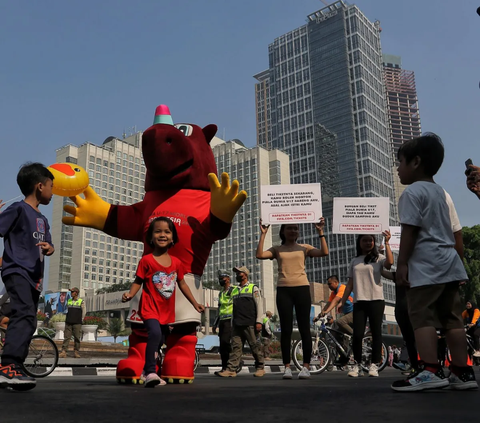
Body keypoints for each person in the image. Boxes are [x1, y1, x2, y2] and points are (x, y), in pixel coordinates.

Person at [391, 133, 477, 391]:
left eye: (400, 162)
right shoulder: (443, 193)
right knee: (453, 320)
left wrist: (402, 264)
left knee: (422, 318)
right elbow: (456, 233)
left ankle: (430, 369)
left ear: (415, 162)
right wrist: (458, 264)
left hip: (426, 269)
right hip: (449, 265)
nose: (397, 168)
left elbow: (409, 231)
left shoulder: (412, 193)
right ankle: (462, 372)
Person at [122, 216, 205, 388]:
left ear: (173, 238)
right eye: (157, 231)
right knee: (154, 334)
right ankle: (150, 371)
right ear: (151, 237)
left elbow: (182, 284)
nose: (162, 235)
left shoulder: (176, 263)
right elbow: (138, 281)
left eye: (167, 232)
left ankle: (149, 370)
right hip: (149, 308)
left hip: (166, 312)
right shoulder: (146, 260)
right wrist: (130, 294)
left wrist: (195, 303)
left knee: (160, 340)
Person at [0, 163, 55, 390]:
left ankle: (16, 367)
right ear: (40, 186)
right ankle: (7, 366)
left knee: (30, 319)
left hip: (34, 278)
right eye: (52, 186)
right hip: (17, 271)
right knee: (22, 314)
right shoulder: (18, 209)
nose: (53, 191)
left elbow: (49, 244)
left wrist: (50, 248)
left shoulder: (42, 219)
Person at [256, 218, 328, 380]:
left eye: (296, 228)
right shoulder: (277, 249)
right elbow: (259, 255)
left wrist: (320, 231)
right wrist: (263, 234)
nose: (293, 231)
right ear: (283, 231)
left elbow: (324, 252)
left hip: (302, 289)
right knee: (286, 330)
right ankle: (287, 367)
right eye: (290, 228)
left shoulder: (305, 248)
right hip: (283, 290)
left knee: (304, 329)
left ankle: (306, 367)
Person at [338, 231, 393, 378]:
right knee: (357, 334)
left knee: (376, 333)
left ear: (374, 243)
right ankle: (356, 364)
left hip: (376, 300)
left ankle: (374, 364)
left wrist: (387, 243)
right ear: (359, 243)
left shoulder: (378, 258)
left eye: (371, 240)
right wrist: (342, 302)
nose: (368, 243)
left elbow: (390, 263)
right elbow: (349, 284)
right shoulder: (355, 261)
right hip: (359, 301)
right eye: (365, 240)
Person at [217, 266, 266, 378]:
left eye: (239, 273)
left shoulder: (253, 288)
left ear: (245, 274)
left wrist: (259, 321)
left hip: (250, 323)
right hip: (237, 324)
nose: (237, 275)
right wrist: (232, 323)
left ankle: (260, 367)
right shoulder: (235, 290)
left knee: (255, 346)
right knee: (236, 347)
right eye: (237, 273)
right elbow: (233, 308)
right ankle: (231, 369)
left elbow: (259, 305)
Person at [212, 271, 236, 373]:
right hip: (222, 321)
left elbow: (237, 304)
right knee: (222, 345)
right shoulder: (221, 293)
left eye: (223, 278)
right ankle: (224, 366)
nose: (221, 280)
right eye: (220, 278)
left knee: (226, 342)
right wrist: (215, 324)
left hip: (230, 320)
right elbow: (219, 309)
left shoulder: (234, 290)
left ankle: (233, 363)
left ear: (228, 279)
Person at [59, 287, 86, 359]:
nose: (71, 293)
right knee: (67, 337)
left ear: (76, 293)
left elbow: (84, 312)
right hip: (68, 322)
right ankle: (64, 352)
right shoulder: (69, 300)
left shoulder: (81, 301)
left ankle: (76, 352)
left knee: (77, 338)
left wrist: (81, 320)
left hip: (77, 323)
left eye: (72, 292)